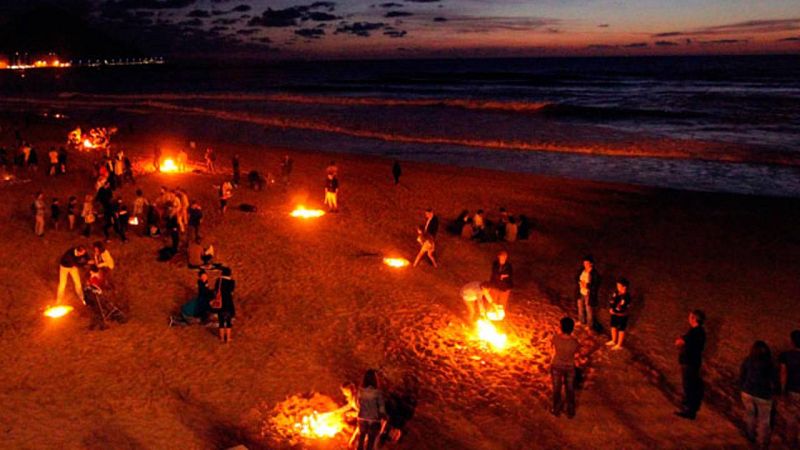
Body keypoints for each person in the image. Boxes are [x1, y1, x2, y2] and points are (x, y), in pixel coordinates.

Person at [740, 341, 779, 447]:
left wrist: (741, 387)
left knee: (750, 415)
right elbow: (775, 380)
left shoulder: (748, 360)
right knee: (764, 419)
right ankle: (762, 442)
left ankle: (750, 436)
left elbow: (742, 375)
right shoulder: (770, 364)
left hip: (747, 392)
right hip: (763, 395)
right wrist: (776, 392)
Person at [675, 309, 707, 420]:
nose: (688, 319)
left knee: (689, 385)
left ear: (694, 319)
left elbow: (680, 342)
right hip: (694, 361)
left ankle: (689, 410)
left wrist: (681, 340)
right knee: (690, 384)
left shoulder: (694, 332)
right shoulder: (700, 332)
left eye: (690, 317)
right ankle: (688, 405)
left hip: (689, 362)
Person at [551, 317, 580, 418]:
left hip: (556, 365)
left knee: (556, 388)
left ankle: (556, 408)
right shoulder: (574, 342)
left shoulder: (555, 338)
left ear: (561, 327)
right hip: (569, 367)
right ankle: (570, 410)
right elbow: (576, 355)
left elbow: (552, 351)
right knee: (570, 389)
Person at [779, 330, 800, 448]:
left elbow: (783, 374)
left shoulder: (785, 356)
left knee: (791, 418)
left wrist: (782, 390)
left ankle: (791, 442)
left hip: (792, 390)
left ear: (792, 342)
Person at [356, 369, 386, 450]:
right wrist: (383, 416)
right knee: (371, 441)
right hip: (374, 419)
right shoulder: (378, 392)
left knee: (361, 439)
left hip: (362, 418)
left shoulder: (360, 391)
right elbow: (381, 407)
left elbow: (358, 404)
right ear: (375, 379)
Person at [575, 256, 601, 331]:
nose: (585, 264)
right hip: (581, 291)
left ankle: (590, 325)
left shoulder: (594, 274)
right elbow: (577, 277)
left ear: (591, 264)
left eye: (587, 263)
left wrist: (587, 285)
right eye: (584, 263)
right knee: (580, 307)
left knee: (588, 309)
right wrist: (579, 282)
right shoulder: (582, 270)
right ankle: (581, 321)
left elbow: (596, 285)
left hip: (589, 293)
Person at [606, 278, 631, 350]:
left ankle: (619, 344)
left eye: (619, 286)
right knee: (613, 326)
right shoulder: (616, 292)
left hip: (622, 315)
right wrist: (611, 308)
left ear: (624, 287)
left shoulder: (626, 297)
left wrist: (614, 311)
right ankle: (613, 340)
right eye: (617, 286)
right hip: (614, 313)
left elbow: (622, 306)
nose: (617, 287)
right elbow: (612, 300)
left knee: (621, 329)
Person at [214, 267, 236, 343]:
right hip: (229, 302)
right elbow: (232, 292)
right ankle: (228, 337)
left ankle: (222, 338)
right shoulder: (232, 282)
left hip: (220, 302)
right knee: (229, 322)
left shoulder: (218, 281)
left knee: (221, 321)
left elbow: (216, 291)